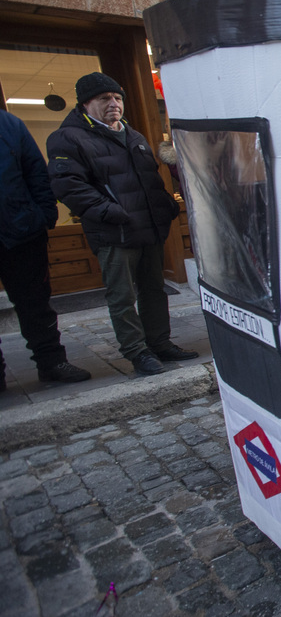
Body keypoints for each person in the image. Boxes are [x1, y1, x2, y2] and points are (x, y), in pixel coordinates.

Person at [46, 72, 198, 377]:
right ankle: (137, 351)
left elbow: (151, 180)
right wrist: (110, 212)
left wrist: (165, 205)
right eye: (104, 99)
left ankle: (160, 343)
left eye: (117, 98)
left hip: (148, 228)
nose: (113, 104)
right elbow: (68, 187)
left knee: (154, 289)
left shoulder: (134, 135)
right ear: (86, 103)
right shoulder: (69, 137)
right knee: (122, 296)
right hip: (114, 231)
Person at [0, 111, 92, 390]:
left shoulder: (10, 125)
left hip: (21, 230)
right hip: (21, 226)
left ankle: (51, 362)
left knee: (35, 303)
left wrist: (44, 216)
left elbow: (36, 172)